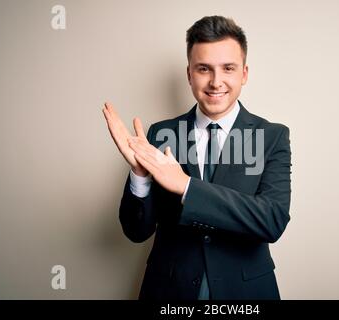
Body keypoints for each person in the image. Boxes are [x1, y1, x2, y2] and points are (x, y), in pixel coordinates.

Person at [102, 15, 292, 300]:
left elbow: (272, 220)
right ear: (189, 74)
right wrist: (140, 176)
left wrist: (186, 186)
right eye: (204, 68)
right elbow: (136, 232)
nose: (216, 82)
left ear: (244, 73)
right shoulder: (161, 133)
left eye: (228, 68)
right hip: (169, 292)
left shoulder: (272, 136)